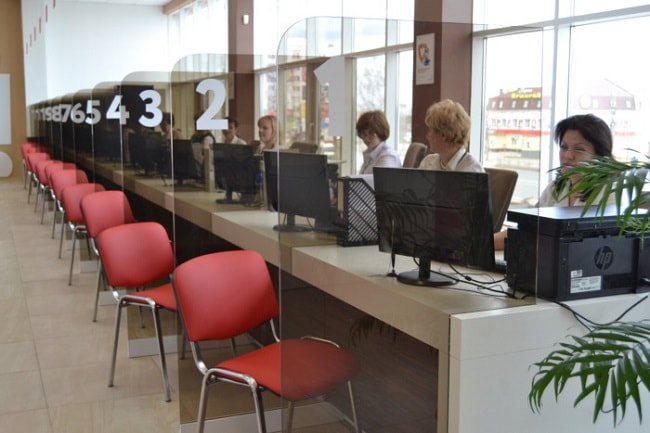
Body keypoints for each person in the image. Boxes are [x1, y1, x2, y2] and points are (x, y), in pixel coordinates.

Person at [494, 113, 614, 250]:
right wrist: (483, 243)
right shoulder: (556, 187)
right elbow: (527, 231)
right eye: (564, 147)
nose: (568, 155)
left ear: (600, 155)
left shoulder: (610, 194)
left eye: (579, 149)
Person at [418, 99, 483, 173]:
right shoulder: (427, 163)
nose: (428, 136)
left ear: (444, 135)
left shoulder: (473, 170)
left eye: (431, 131)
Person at [356, 110, 401, 174]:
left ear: (380, 132)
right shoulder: (370, 153)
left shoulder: (388, 156)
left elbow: (382, 179)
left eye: (371, 134)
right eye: (363, 134)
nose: (366, 138)